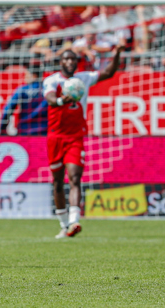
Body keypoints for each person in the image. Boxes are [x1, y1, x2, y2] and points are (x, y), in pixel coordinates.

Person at [43, 46, 123, 238]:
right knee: (57, 182)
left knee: (75, 178)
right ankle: (64, 225)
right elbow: (50, 99)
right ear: (61, 62)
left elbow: (108, 72)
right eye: (66, 59)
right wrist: (61, 101)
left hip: (75, 136)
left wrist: (117, 53)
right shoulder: (52, 80)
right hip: (55, 136)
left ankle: (74, 221)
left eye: (73, 59)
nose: (70, 62)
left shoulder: (83, 79)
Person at [0, 65, 48, 136]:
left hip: (25, 131)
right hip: (45, 131)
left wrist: (2, 128)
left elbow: (8, 109)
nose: (24, 77)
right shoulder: (48, 90)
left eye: (26, 75)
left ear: (34, 76)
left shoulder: (22, 90)